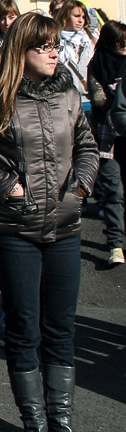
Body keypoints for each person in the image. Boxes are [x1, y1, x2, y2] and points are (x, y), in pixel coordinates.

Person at [0, 13, 100, 432]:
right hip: (14, 229)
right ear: (22, 51)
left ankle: (62, 424)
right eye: (44, 46)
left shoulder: (70, 96)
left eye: (56, 44)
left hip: (66, 228)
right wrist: (8, 187)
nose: (55, 52)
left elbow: (89, 148)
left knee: (61, 329)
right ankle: (33, 425)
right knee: (24, 327)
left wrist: (79, 190)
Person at [85, 21, 126, 265]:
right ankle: (116, 244)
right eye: (121, 42)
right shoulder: (97, 64)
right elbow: (97, 98)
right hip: (105, 135)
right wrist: (116, 93)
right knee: (113, 192)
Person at [56, 0, 95, 99]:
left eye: (83, 17)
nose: (81, 21)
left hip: (91, 99)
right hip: (66, 99)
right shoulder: (55, 41)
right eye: (77, 16)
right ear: (65, 17)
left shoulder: (90, 39)